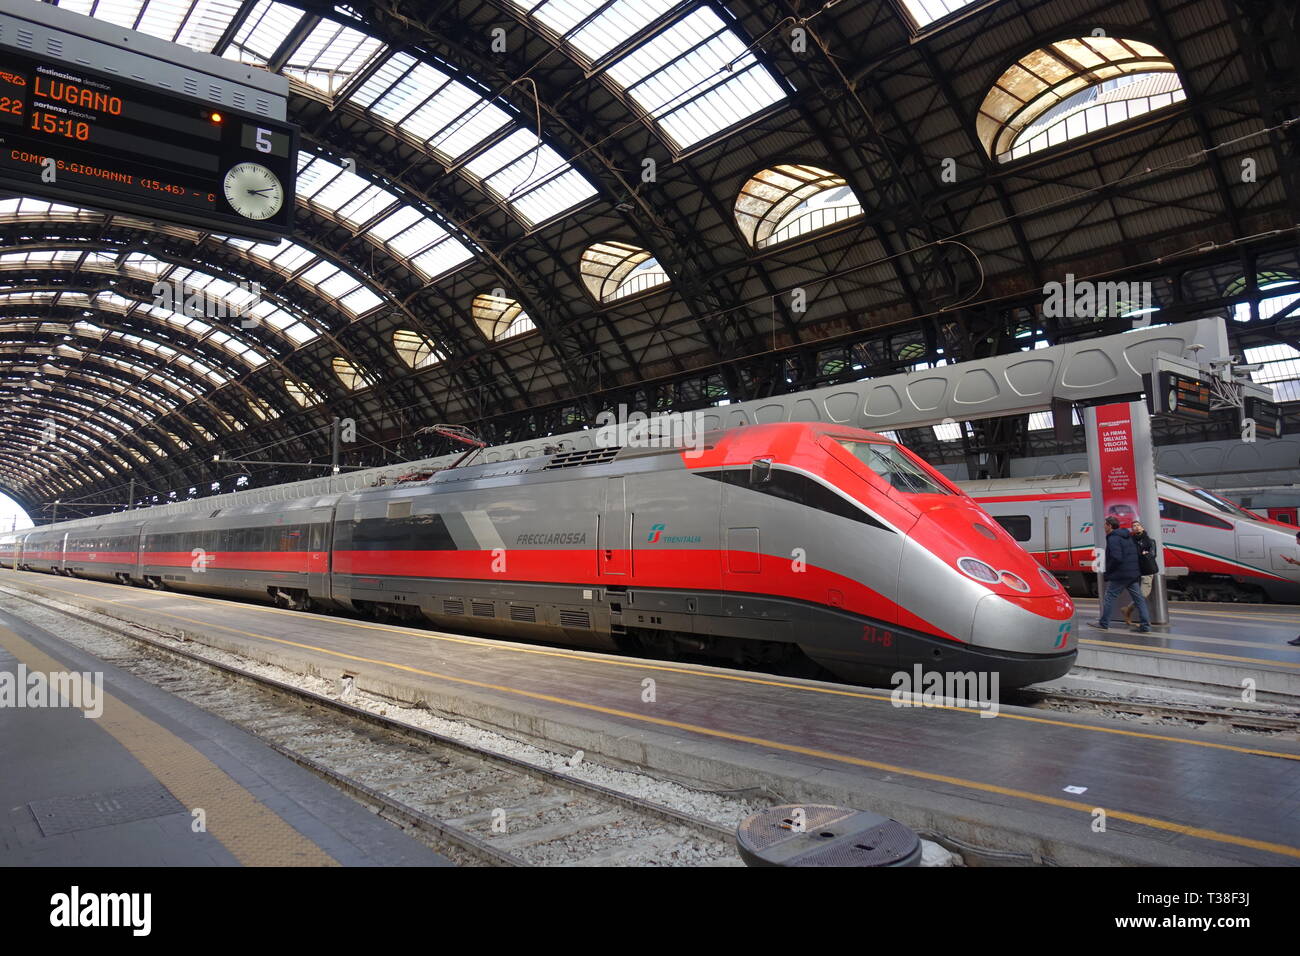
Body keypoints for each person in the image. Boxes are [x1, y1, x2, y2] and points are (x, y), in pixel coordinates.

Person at [1088, 515, 1151, 632]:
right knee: (1139, 599)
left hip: (1121, 574)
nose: (1103, 527)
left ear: (1109, 526)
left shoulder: (1113, 538)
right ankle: (1146, 625)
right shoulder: (1128, 536)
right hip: (1132, 574)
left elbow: (1117, 557)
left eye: (1105, 525)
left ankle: (1103, 623)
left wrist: (1109, 570)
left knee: (1109, 597)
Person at [1124, 519, 1158, 629]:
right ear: (1132, 529)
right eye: (1134, 526)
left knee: (1142, 595)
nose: (1136, 527)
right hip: (1136, 572)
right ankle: (1143, 621)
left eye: (1138, 525)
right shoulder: (1131, 541)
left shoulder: (1149, 540)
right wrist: (1142, 553)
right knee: (1139, 596)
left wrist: (1143, 555)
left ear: (1142, 527)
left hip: (1147, 571)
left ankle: (1129, 609)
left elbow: (1152, 554)